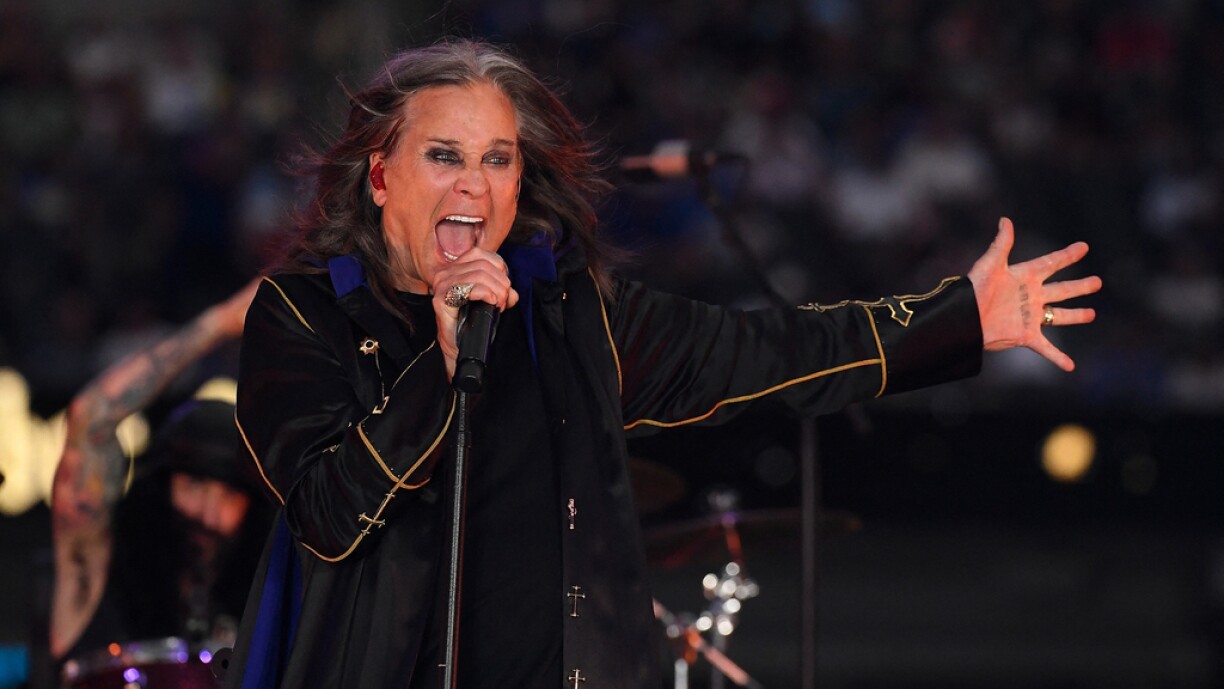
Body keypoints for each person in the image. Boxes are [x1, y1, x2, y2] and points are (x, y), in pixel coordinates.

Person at [223, 39, 1101, 689]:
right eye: (443, 156)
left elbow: (766, 352)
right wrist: (442, 367)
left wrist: (955, 321)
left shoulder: (567, 314)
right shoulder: (302, 316)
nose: (474, 186)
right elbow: (330, 513)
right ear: (380, 179)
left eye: (498, 160)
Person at [49, 280, 269, 682]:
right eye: (194, 487)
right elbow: (91, 419)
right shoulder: (98, 569)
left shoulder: (266, 604)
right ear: (161, 487)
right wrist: (220, 324)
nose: (207, 513)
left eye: (228, 497)